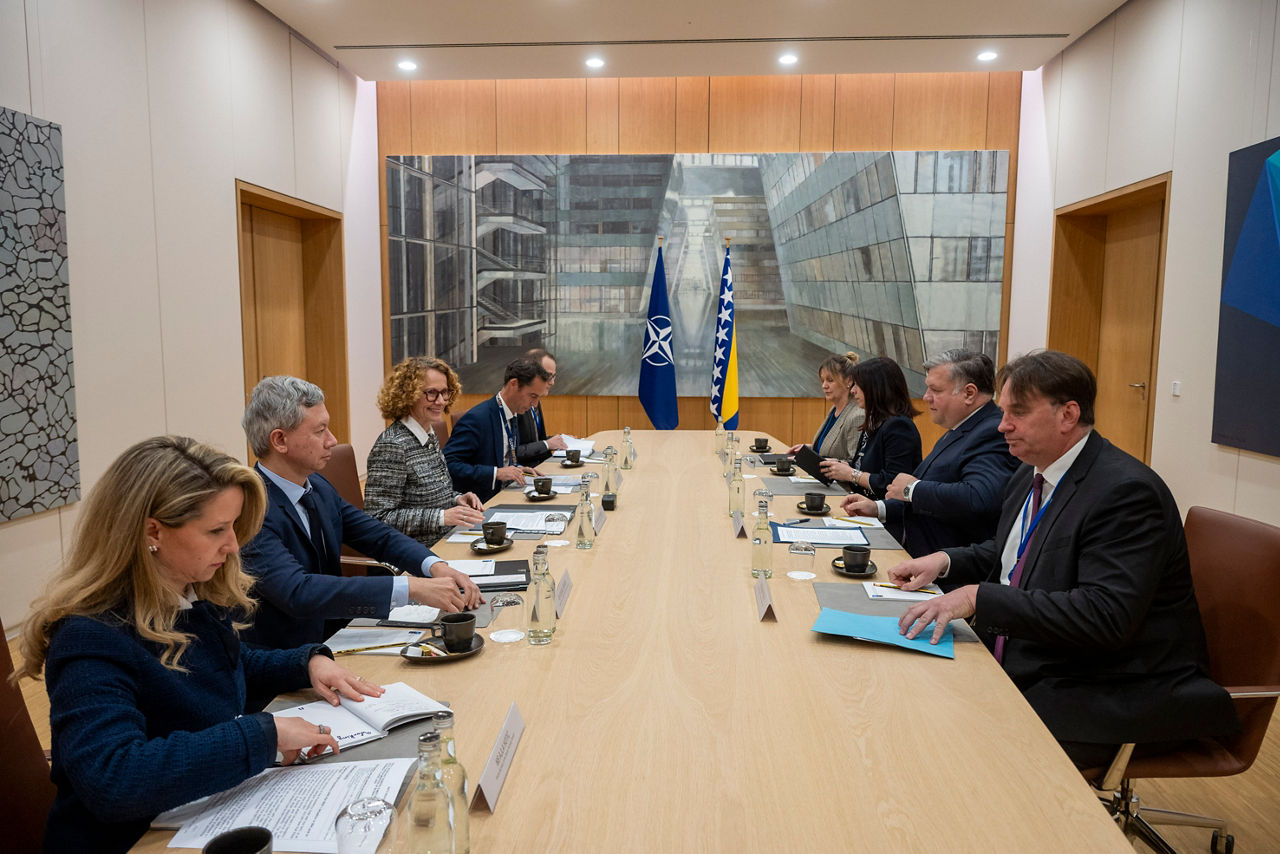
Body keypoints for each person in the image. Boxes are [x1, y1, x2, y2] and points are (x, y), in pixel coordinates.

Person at [13, 436, 382, 853]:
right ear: (153, 531)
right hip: (132, 840)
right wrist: (263, 734)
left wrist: (306, 663)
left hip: (195, 816)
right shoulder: (90, 635)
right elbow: (114, 777)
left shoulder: (188, 592)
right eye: (216, 530)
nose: (233, 545)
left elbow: (219, 666)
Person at [891, 350, 1238, 768]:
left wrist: (979, 598)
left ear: (1068, 414)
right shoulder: (1032, 470)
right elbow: (1016, 553)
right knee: (909, 691)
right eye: (1002, 412)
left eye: (1017, 412)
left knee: (957, 746)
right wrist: (944, 561)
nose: (1002, 426)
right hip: (1041, 655)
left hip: (1110, 683)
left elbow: (1104, 616)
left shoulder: (1125, 493)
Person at [240, 376, 481, 650]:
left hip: (337, 638)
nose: (332, 440)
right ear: (280, 440)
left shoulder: (317, 486)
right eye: (320, 431)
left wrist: (435, 566)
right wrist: (410, 588)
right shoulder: (251, 508)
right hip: (287, 659)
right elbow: (299, 592)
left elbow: (378, 535)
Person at [841, 349, 1017, 556]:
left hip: (950, 569)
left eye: (935, 390)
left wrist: (911, 489)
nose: (925, 397)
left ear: (969, 393)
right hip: (921, 559)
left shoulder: (992, 431)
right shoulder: (959, 429)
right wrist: (879, 508)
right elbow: (928, 499)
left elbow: (978, 497)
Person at [363, 357, 486, 546]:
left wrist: (456, 499)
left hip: (445, 540)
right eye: (431, 393)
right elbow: (378, 518)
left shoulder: (428, 432)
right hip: (415, 553)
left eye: (445, 392)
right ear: (407, 395)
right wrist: (442, 517)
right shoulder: (392, 445)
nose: (441, 401)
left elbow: (426, 498)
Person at [444, 358, 549, 502]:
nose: (534, 404)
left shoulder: (513, 414)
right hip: (483, 502)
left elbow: (504, 456)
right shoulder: (477, 419)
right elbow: (449, 465)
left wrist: (516, 468)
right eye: (533, 396)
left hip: (507, 494)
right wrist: (496, 473)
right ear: (514, 384)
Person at [820, 356, 922, 497]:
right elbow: (862, 466)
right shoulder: (875, 421)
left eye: (857, 385)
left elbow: (893, 482)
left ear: (876, 387)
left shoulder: (899, 426)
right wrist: (838, 464)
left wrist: (851, 474)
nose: (853, 390)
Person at [787, 351, 865, 459]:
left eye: (830, 380)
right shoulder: (834, 409)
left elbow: (855, 464)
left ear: (849, 381)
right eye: (822, 380)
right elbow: (830, 450)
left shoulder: (857, 416)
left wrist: (809, 459)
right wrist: (808, 450)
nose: (824, 386)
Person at [516, 348, 569, 466]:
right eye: (548, 376)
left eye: (554, 376)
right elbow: (512, 452)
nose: (552, 382)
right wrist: (547, 444)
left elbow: (535, 440)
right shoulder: (516, 404)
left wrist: (558, 440)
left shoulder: (536, 399)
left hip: (541, 467)